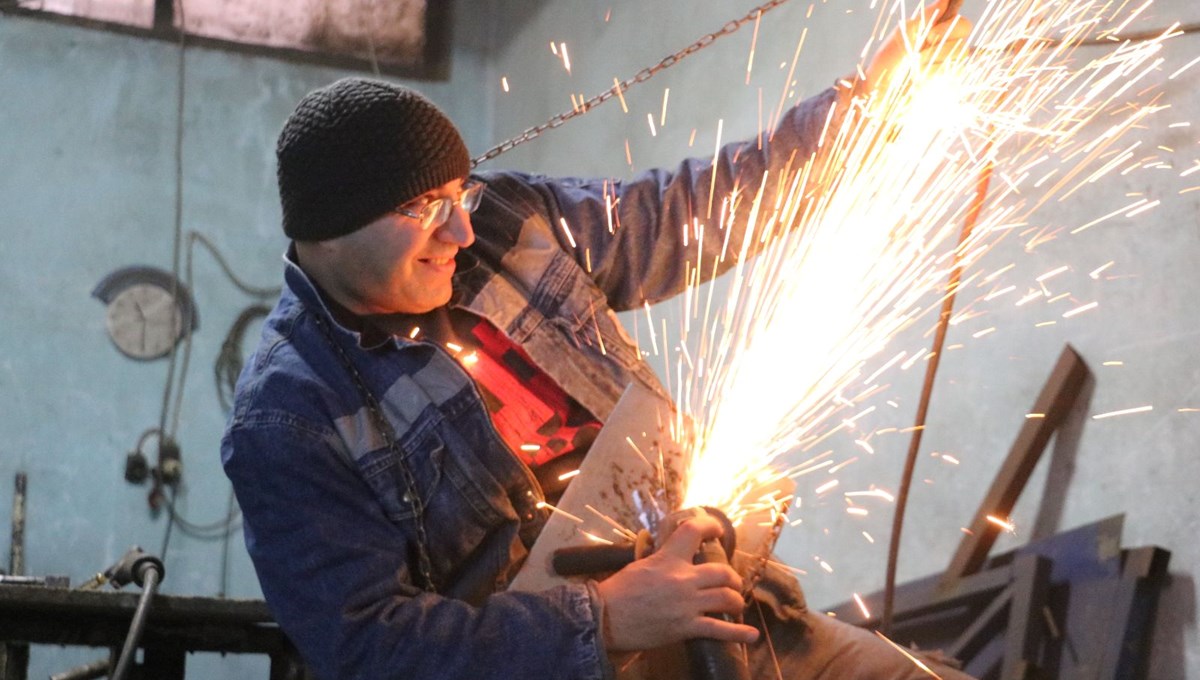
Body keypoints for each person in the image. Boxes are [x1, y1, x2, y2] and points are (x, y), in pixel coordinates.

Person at [222, 5, 975, 679]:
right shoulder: (288, 420)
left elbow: (689, 211)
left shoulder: (507, 223)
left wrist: (864, 111)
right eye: (424, 208)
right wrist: (607, 620)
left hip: (740, 619)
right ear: (330, 229)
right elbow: (373, 651)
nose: (458, 231)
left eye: (460, 197)